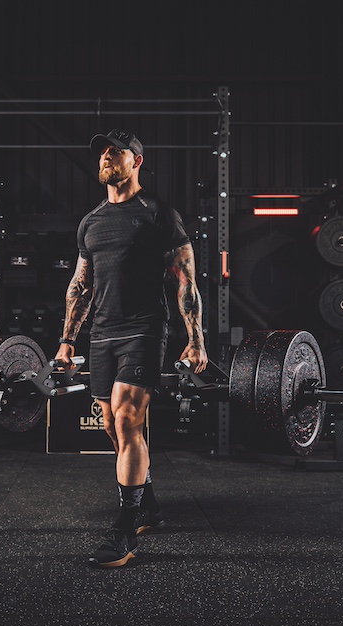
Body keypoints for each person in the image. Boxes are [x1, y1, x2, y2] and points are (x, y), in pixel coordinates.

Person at [54, 128, 208, 568]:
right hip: (102, 332)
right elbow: (80, 286)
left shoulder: (159, 214)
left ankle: (124, 531)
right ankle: (150, 505)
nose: (105, 157)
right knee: (112, 426)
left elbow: (185, 279)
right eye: (102, 152)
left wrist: (195, 339)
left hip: (144, 328)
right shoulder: (91, 221)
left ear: (136, 161)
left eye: (115, 151)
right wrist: (66, 342)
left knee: (126, 418)